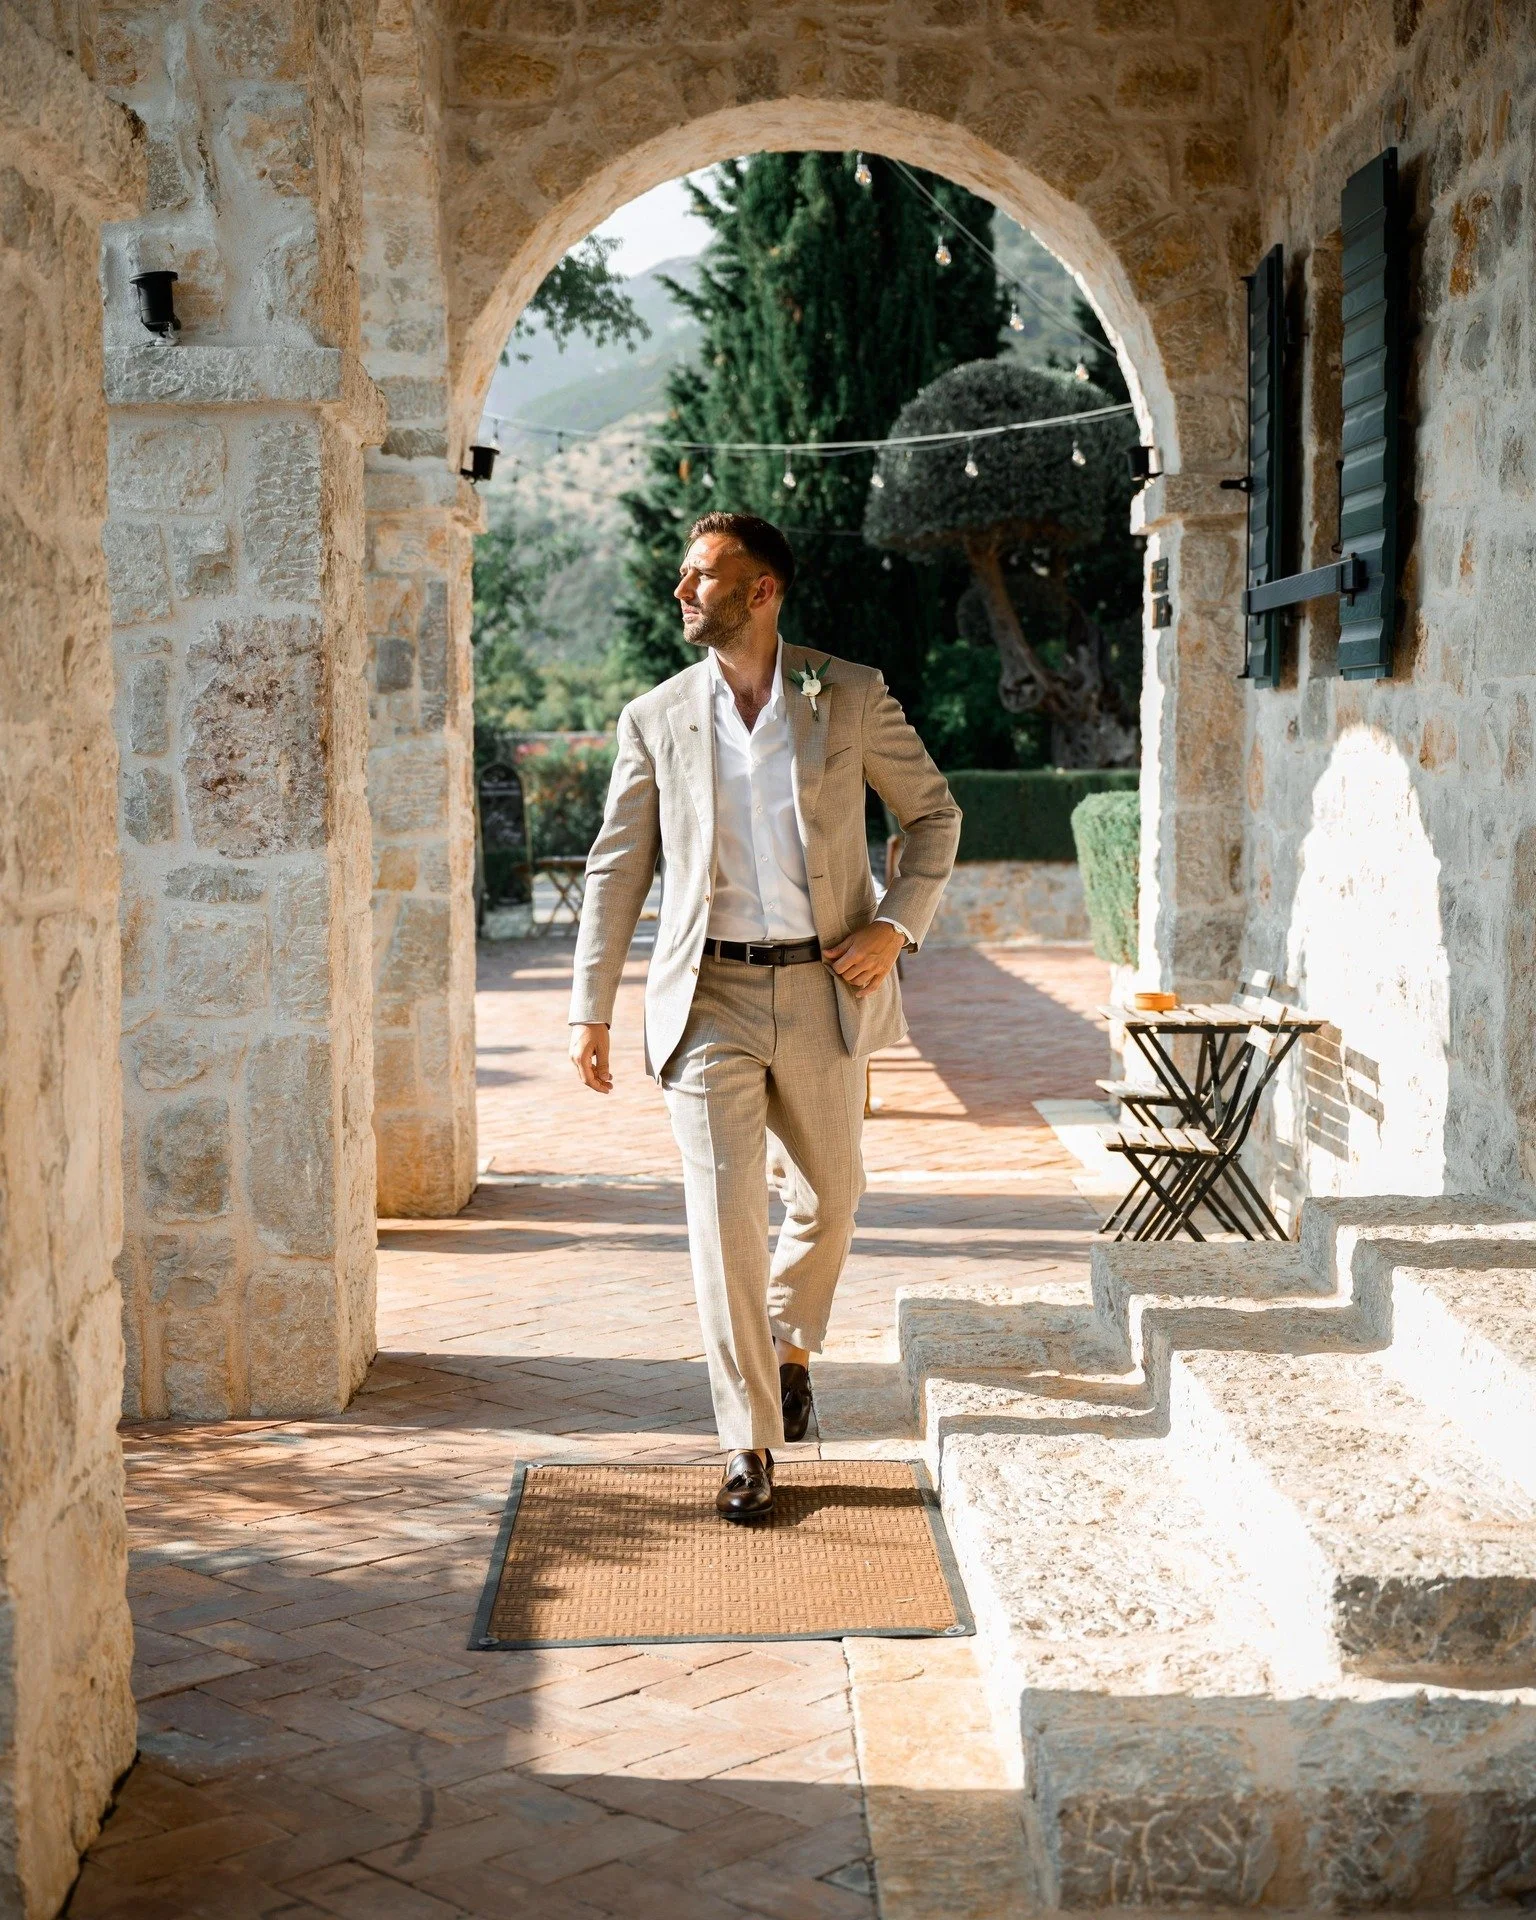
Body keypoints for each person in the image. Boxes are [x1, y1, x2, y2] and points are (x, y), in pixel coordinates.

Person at [568, 512, 960, 1521]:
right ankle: (748, 1439)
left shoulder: (849, 693)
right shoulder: (654, 718)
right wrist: (590, 1006)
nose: (681, 592)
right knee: (725, 1219)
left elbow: (933, 817)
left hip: (831, 984)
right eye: (683, 576)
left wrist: (896, 929)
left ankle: (788, 1344)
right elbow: (619, 867)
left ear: (762, 591)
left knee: (833, 1196)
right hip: (707, 1000)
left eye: (701, 576)